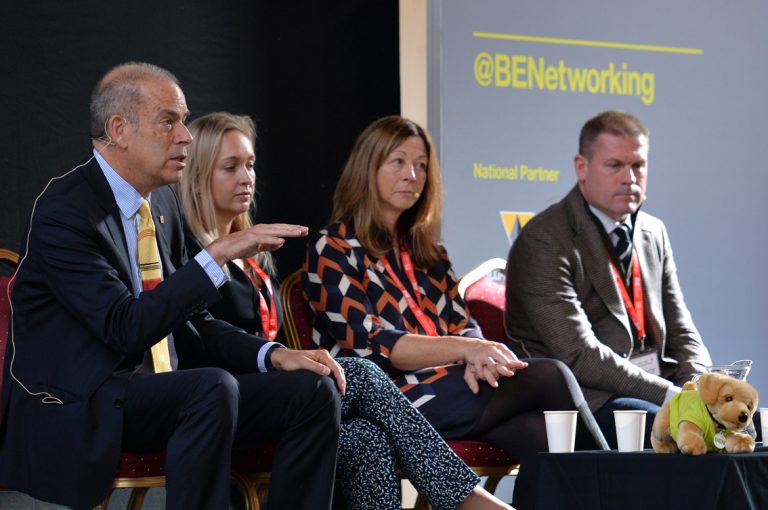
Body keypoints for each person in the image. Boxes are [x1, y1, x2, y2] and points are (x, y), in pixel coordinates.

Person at [0, 62, 346, 510]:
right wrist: (219, 253)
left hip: (166, 393)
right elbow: (123, 327)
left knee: (312, 391)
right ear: (119, 129)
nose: (185, 135)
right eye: (169, 121)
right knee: (209, 388)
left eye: (183, 120)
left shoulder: (161, 202)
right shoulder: (63, 212)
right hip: (90, 403)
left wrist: (274, 355)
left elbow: (194, 321)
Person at [176, 111, 513, 510]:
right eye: (230, 167)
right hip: (228, 403)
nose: (247, 177)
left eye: (250, 165)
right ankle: (467, 499)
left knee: (367, 439)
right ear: (196, 178)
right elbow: (201, 341)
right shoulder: (190, 259)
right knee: (364, 373)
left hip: (282, 398)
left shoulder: (254, 256)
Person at [303, 115, 585, 510]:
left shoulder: (428, 254)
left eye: (421, 165)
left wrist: (475, 355)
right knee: (550, 375)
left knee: (538, 434)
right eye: (398, 162)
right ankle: (621, 491)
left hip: (454, 389)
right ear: (368, 167)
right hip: (391, 398)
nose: (412, 175)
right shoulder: (333, 247)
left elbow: (463, 324)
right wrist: (463, 351)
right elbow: (371, 345)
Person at [504, 109, 713, 449]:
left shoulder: (653, 231)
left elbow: (682, 332)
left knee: (741, 430)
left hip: (653, 389)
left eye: (638, 166)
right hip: (585, 400)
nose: (629, 178)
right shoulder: (545, 239)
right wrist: (673, 396)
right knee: (675, 431)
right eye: (615, 165)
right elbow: (579, 355)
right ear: (582, 168)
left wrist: (698, 390)